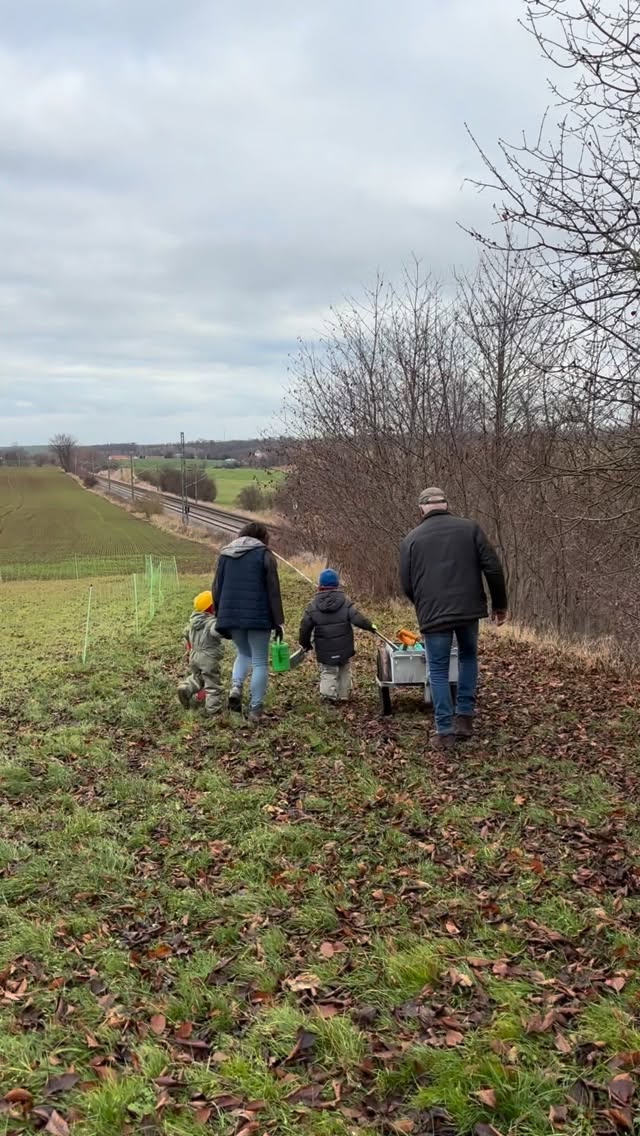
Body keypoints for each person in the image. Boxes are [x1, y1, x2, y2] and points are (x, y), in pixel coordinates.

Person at [399, 487, 507, 750]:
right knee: (468, 657)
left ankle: (444, 730)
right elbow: (492, 567)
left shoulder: (411, 540)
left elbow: (406, 584)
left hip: (434, 614)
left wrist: (423, 604)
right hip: (468, 609)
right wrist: (499, 604)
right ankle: (465, 719)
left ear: (421, 509)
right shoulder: (470, 529)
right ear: (446, 505)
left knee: (437, 668)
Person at [213, 522, 284, 723]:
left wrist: (220, 614)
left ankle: (236, 687)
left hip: (231, 615)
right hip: (258, 616)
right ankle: (255, 710)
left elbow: (216, 587)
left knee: (243, 653)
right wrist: (278, 621)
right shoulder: (264, 555)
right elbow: (273, 591)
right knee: (260, 661)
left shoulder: (225, 554)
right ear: (263, 537)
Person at [299, 568, 375, 702]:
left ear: (320, 586)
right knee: (344, 669)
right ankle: (344, 695)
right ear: (337, 585)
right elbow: (358, 618)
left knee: (328, 671)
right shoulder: (345, 603)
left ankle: (328, 696)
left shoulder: (313, 606)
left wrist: (305, 643)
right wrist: (370, 626)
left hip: (324, 648)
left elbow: (305, 626)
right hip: (344, 647)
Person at [177, 590, 223, 715]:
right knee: (212, 683)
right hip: (208, 658)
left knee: (198, 677)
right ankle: (213, 709)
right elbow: (217, 631)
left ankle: (186, 688)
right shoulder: (211, 622)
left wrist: (189, 648)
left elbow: (186, 633)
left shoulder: (193, 622)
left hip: (194, 656)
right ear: (211, 608)